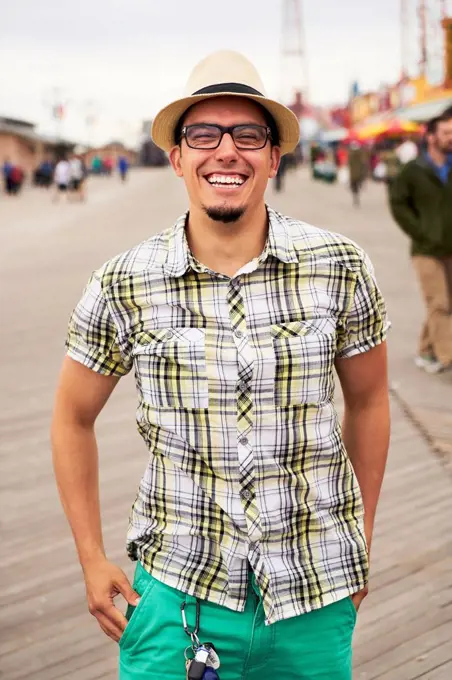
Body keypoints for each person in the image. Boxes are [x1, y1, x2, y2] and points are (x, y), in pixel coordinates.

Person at [52, 50, 391, 680]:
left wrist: (360, 544)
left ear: (273, 156)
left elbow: (369, 402)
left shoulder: (340, 266)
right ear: (177, 157)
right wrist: (92, 557)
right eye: (203, 134)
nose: (226, 151)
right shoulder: (124, 282)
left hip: (314, 595)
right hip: (175, 599)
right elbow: (72, 417)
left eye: (248, 135)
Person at [389, 114, 452, 374]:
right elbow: (398, 204)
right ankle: (447, 356)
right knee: (439, 303)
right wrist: (419, 231)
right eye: (446, 133)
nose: (451, 137)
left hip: (451, 247)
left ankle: (425, 350)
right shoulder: (413, 170)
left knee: (445, 302)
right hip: (426, 249)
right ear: (431, 137)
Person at [347, 142, 367, 207]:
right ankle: (357, 195)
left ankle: (355, 198)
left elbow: (349, 164)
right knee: (358, 185)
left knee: (354, 187)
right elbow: (364, 164)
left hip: (353, 174)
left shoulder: (350, 155)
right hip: (359, 173)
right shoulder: (361, 154)